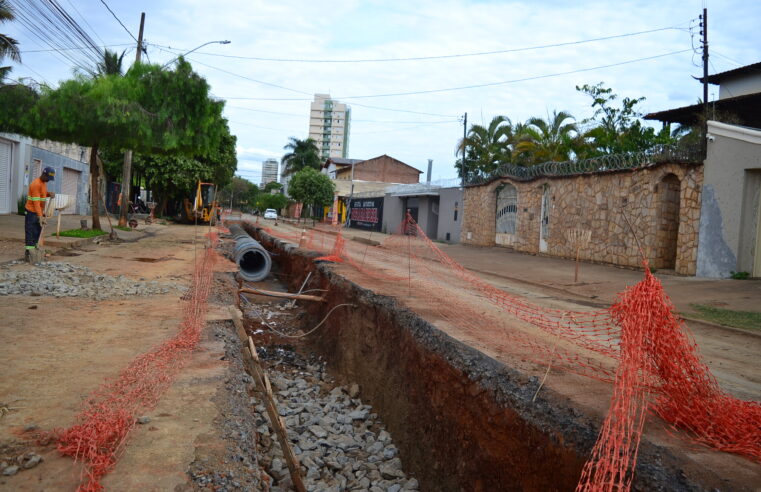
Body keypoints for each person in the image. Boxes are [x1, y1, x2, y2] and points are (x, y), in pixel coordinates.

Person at [25, 167, 56, 262]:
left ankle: (35, 249)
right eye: (47, 178)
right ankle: (29, 253)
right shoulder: (35, 184)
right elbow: (36, 203)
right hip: (31, 212)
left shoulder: (43, 183)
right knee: (30, 232)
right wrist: (40, 216)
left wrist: (48, 194)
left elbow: (42, 194)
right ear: (44, 174)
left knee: (37, 232)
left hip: (38, 212)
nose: (48, 181)